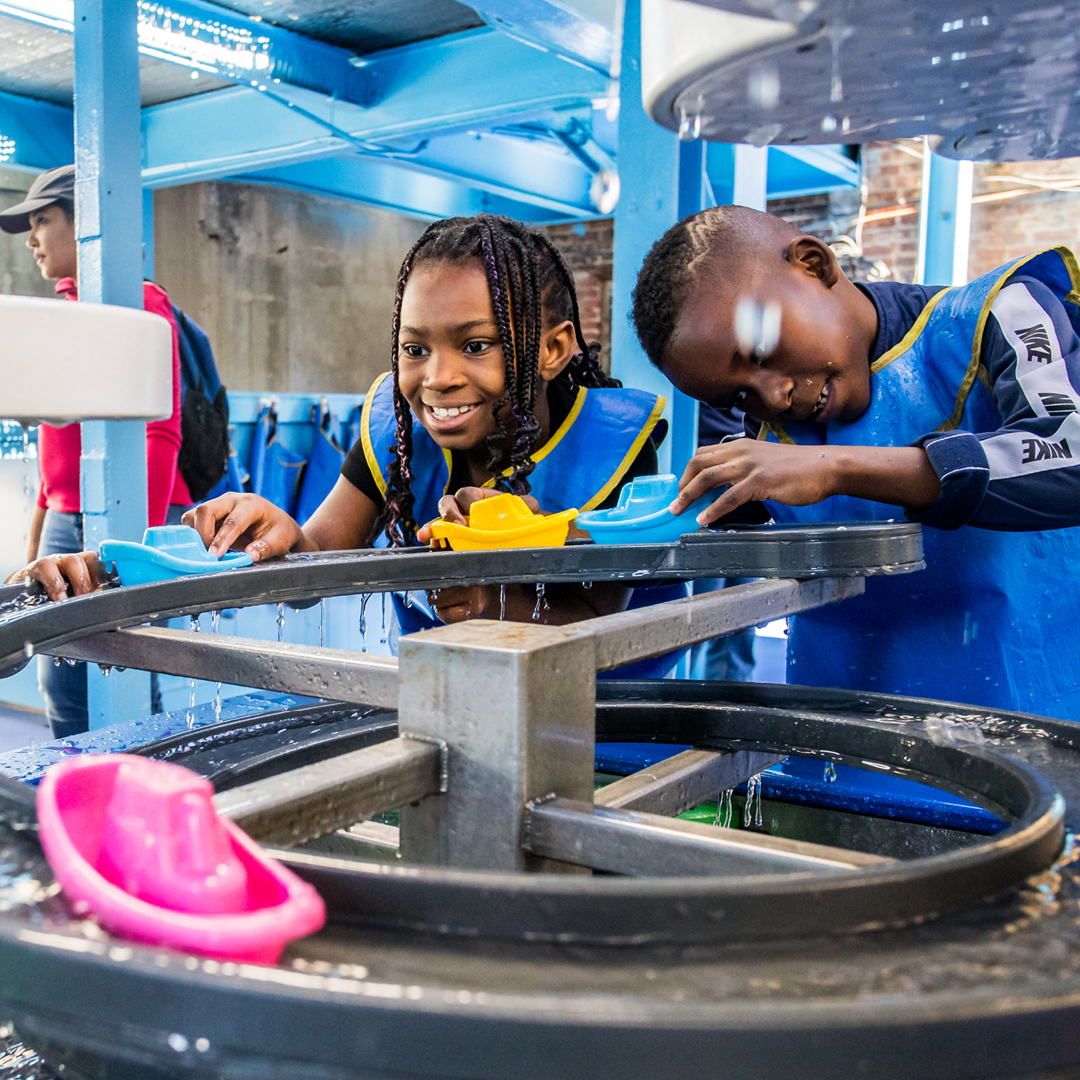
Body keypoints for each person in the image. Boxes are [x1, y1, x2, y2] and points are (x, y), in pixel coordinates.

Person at [18, 214, 669, 635]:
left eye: (476, 346)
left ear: (554, 351)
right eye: (415, 350)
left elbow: (602, 617)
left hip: (610, 735)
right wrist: (274, 532)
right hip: (443, 710)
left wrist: (497, 597)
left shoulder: (611, 444)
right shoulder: (398, 430)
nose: (436, 377)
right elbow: (314, 561)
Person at [631, 204, 1080, 722]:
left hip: (1035, 727)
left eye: (759, 350)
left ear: (814, 264)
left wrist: (834, 467)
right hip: (841, 744)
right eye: (737, 397)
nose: (773, 396)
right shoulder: (775, 431)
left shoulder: (1003, 312)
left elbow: (1068, 450)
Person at [1, 165, 188, 737]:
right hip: (67, 514)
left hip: (125, 514)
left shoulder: (139, 304)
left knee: (118, 665)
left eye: (41, 221)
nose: (32, 239)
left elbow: (160, 435)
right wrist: (36, 540)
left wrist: (133, 556)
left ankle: (119, 788)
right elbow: (54, 448)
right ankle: (73, 789)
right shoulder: (63, 318)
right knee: (58, 673)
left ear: (85, 224)